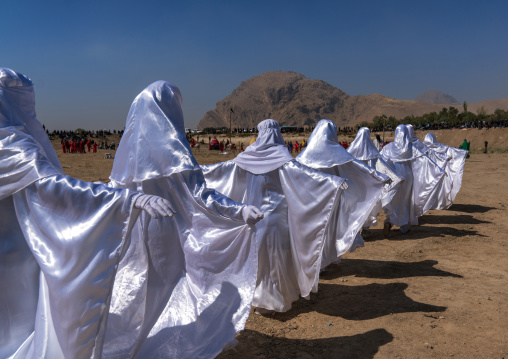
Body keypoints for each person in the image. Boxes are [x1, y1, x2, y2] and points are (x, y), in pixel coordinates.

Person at [0, 68, 174, 359]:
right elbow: (53, 189)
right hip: (21, 254)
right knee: (21, 324)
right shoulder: (13, 146)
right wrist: (124, 199)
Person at [104, 81, 264, 358]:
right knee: (169, 291)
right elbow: (201, 196)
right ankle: (165, 347)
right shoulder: (174, 151)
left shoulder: (127, 153)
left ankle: (133, 342)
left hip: (132, 234)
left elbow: (112, 196)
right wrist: (238, 211)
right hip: (168, 231)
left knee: (138, 290)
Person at [202, 119, 348, 315]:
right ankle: (275, 299)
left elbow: (219, 172)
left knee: (260, 259)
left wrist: (193, 173)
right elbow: (307, 177)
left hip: (252, 218)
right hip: (278, 219)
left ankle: (264, 300)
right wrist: (332, 184)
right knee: (278, 259)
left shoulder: (245, 159)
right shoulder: (283, 159)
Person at [297, 120, 388, 266]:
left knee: (313, 230)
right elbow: (358, 168)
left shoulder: (305, 154)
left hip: (310, 200)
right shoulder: (337, 151)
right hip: (332, 198)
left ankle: (316, 261)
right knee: (330, 228)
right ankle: (325, 259)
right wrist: (379, 178)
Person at [380, 125, 445, 235]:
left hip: (394, 178)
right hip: (407, 177)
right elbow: (425, 159)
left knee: (394, 199)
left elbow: (381, 161)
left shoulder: (388, 147)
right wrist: (438, 169)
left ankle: (389, 221)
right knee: (405, 201)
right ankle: (404, 226)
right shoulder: (410, 147)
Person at [347, 127, 404, 235]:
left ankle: (354, 231)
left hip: (355, 187)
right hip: (370, 187)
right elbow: (383, 168)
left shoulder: (349, 154)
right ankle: (366, 229)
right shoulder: (374, 155)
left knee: (354, 207)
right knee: (369, 206)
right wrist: (395, 177)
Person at [423, 133, 468, 208]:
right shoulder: (440, 147)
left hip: (425, 174)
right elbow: (452, 151)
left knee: (426, 188)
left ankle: (425, 204)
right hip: (438, 173)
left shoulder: (421, 147)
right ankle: (434, 203)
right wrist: (462, 152)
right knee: (437, 188)